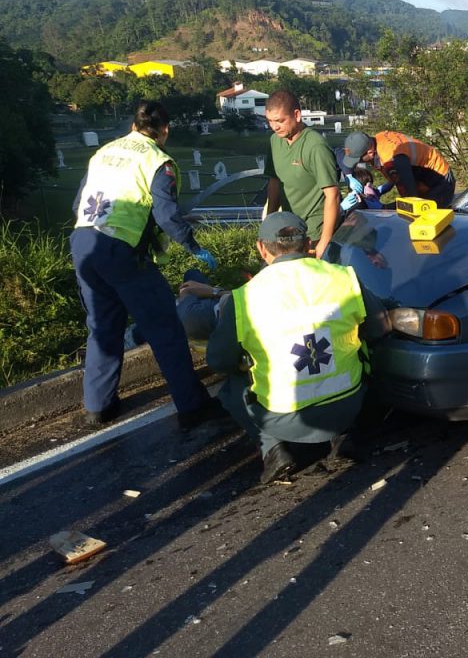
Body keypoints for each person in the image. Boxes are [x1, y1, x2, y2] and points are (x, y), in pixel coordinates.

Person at [70, 101, 223, 429]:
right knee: (165, 327)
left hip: (83, 243)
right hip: (120, 249)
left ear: (132, 126)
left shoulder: (104, 152)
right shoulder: (157, 160)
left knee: (102, 327)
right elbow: (166, 215)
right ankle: (193, 406)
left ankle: (98, 407)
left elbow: (77, 202)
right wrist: (193, 246)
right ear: (164, 130)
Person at [205, 212, 371, 484]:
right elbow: (377, 328)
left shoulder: (244, 298)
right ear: (308, 243)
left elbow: (219, 360)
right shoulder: (345, 277)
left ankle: (273, 450)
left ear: (261, 247)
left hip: (284, 418)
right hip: (349, 403)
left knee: (233, 384)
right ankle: (343, 435)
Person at [263, 90, 341, 259]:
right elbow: (274, 181)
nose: (274, 127)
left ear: (297, 115)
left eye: (280, 121)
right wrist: (269, 224)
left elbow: (332, 194)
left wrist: (324, 241)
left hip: (315, 230)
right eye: (270, 121)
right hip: (289, 227)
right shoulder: (275, 141)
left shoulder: (315, 146)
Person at [342, 130, 455, 208]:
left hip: (440, 183)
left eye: (360, 159)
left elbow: (412, 200)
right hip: (425, 177)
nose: (359, 162)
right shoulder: (377, 140)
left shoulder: (391, 159)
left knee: (423, 217)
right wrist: (385, 186)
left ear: (370, 152)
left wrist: (383, 208)